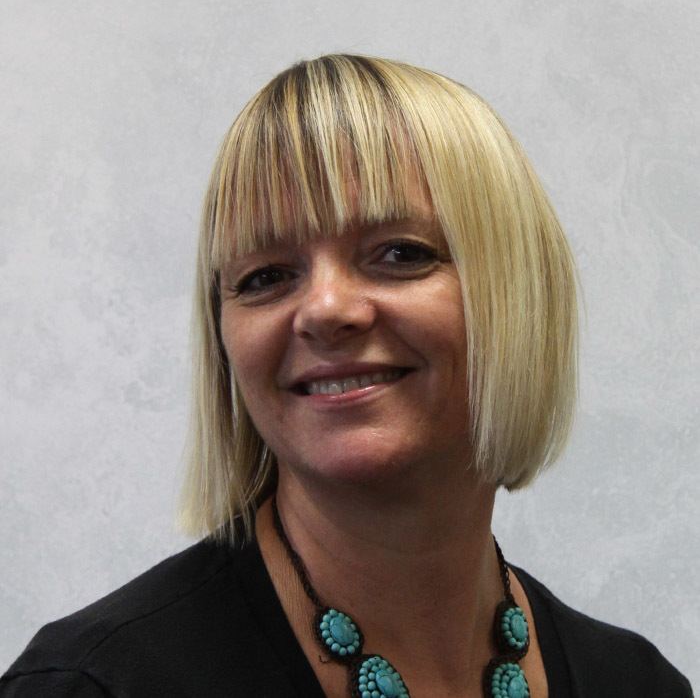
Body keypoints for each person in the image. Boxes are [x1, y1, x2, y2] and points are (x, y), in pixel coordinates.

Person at [1, 54, 692, 698]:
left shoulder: (638, 685)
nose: (325, 310)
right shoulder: (93, 686)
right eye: (266, 276)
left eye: (399, 253)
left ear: (521, 295)